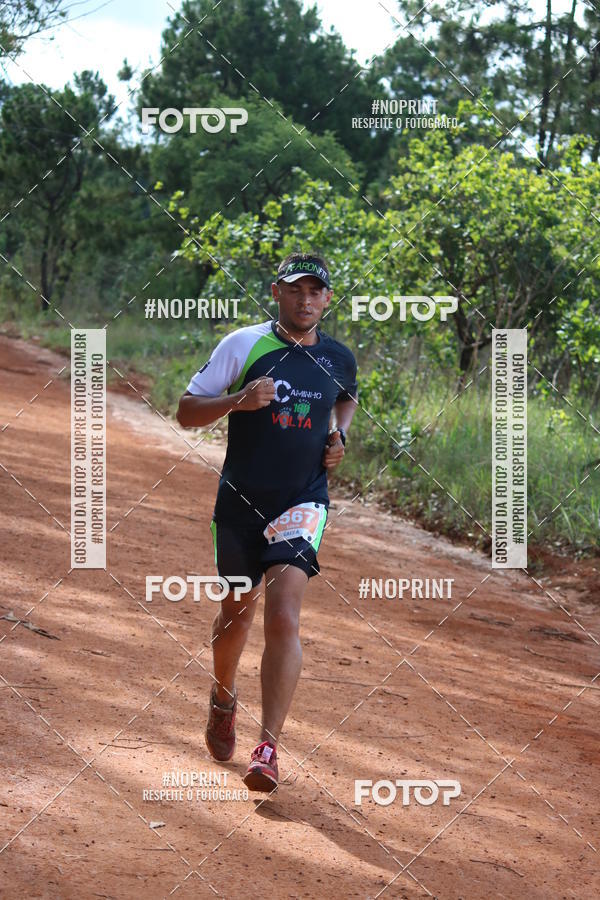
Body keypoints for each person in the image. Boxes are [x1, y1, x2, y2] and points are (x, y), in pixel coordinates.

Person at [176, 252, 358, 791]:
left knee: (283, 617)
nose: (306, 300)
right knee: (236, 612)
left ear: (327, 299)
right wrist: (238, 400)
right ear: (276, 292)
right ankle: (223, 695)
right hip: (240, 503)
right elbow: (186, 411)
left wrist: (339, 436)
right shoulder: (244, 345)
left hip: (303, 500)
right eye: (295, 290)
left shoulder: (339, 357)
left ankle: (269, 748)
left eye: (316, 292)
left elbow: (345, 400)